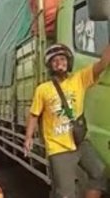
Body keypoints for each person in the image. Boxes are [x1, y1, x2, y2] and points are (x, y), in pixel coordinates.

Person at [24, 43, 110, 198]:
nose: (59, 64)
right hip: (58, 148)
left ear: (69, 61)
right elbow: (34, 114)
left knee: (99, 174)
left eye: (62, 59)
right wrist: (28, 137)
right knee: (65, 194)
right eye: (55, 61)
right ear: (50, 65)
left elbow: (103, 64)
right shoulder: (42, 89)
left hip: (79, 142)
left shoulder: (80, 79)